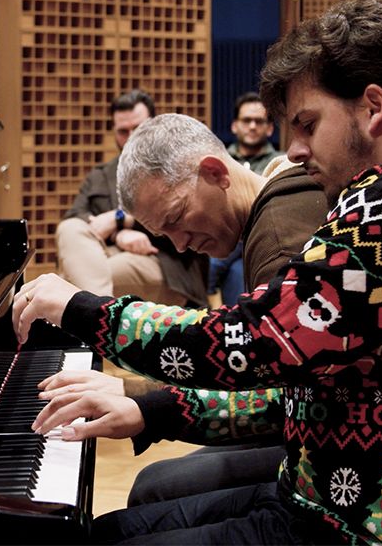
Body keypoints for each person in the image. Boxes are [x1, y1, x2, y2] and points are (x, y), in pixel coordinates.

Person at [13, 0, 382, 545]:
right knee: (110, 531)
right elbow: (305, 383)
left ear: (374, 107)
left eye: (308, 124)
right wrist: (152, 409)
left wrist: (80, 307)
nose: (293, 151)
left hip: (378, 528)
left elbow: (253, 341)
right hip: (328, 496)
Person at [40, 150, 327, 507]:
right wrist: (138, 394)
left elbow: (252, 365)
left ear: (215, 172)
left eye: (176, 218)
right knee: (154, 484)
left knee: (153, 491)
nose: (179, 243)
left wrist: (145, 400)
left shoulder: (278, 236)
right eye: (164, 230)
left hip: (319, 451)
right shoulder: (272, 216)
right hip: (299, 416)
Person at [55, 90, 208, 309]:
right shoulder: (100, 175)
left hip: (164, 262)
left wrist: (124, 219)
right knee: (70, 228)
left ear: (154, 125)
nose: (130, 138)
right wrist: (119, 234)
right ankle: (100, 317)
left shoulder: (177, 168)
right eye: (122, 131)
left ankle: (95, 318)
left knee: (74, 278)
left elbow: (187, 223)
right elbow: (76, 215)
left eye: (138, 128)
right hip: (108, 252)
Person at [211, 93, 286, 304]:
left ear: (270, 128)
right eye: (246, 121)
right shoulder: (216, 161)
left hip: (260, 238)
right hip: (221, 237)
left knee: (235, 269)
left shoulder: (282, 162)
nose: (252, 126)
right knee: (237, 271)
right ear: (235, 126)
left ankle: (207, 291)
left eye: (259, 121)